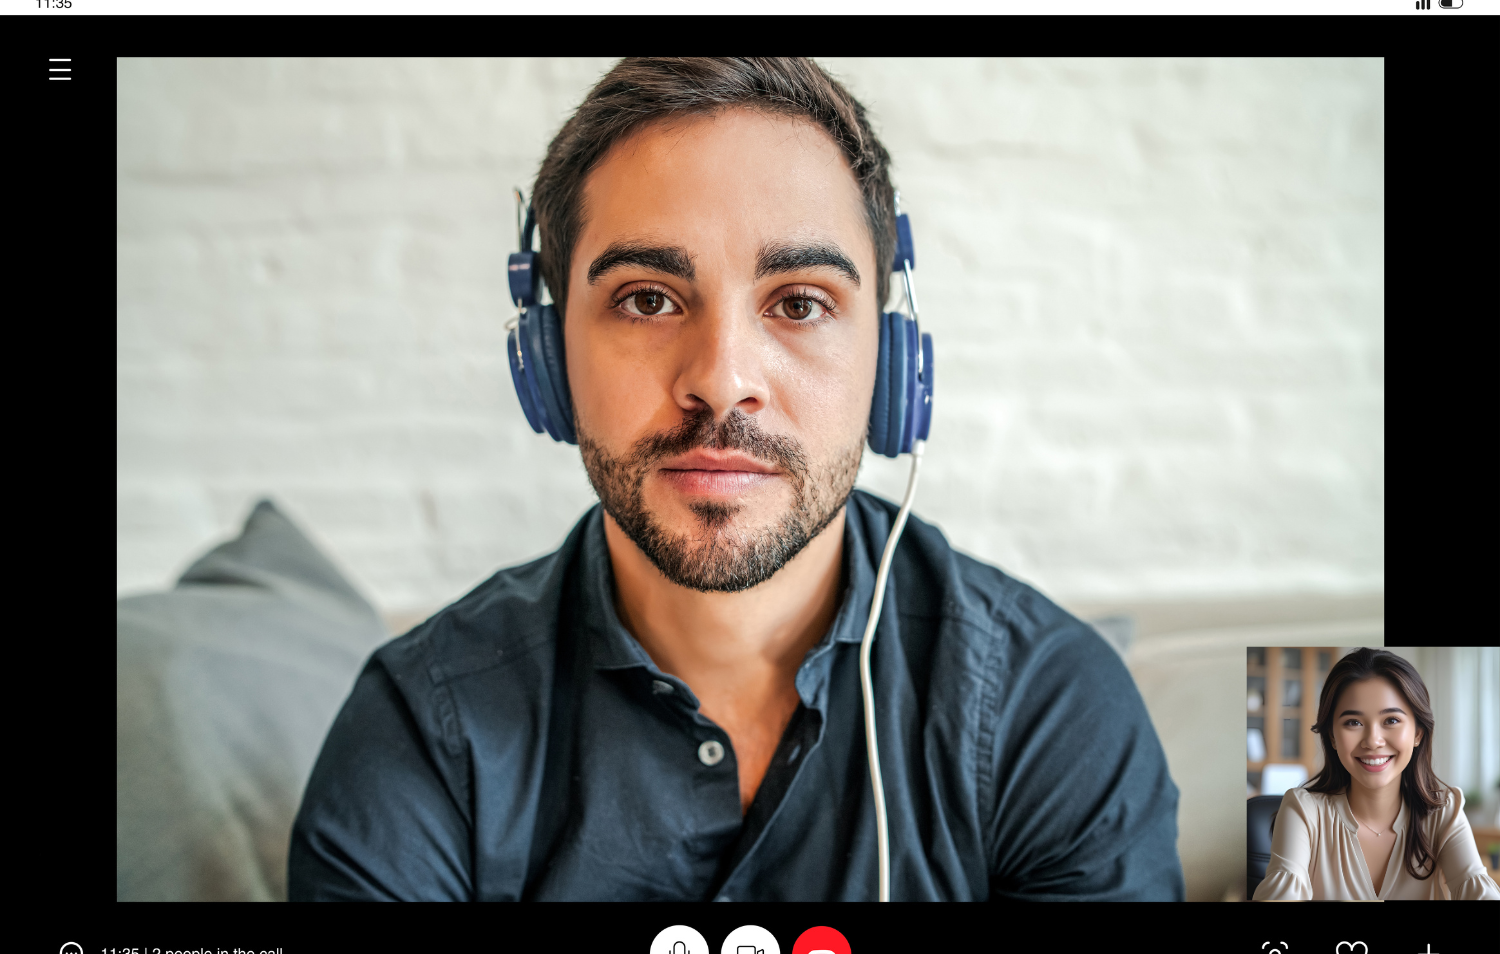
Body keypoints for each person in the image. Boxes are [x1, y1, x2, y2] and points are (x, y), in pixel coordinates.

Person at [289, 56, 1183, 902]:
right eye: (647, 298)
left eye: (798, 303)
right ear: (547, 361)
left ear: (893, 355)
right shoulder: (419, 735)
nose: (720, 378)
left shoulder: (1050, 710)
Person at [1254, 647, 1499, 900]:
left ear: (1417, 733)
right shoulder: (1304, 811)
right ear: (1332, 737)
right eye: (1353, 722)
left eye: (1391, 720)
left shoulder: (1442, 811)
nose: (1373, 741)